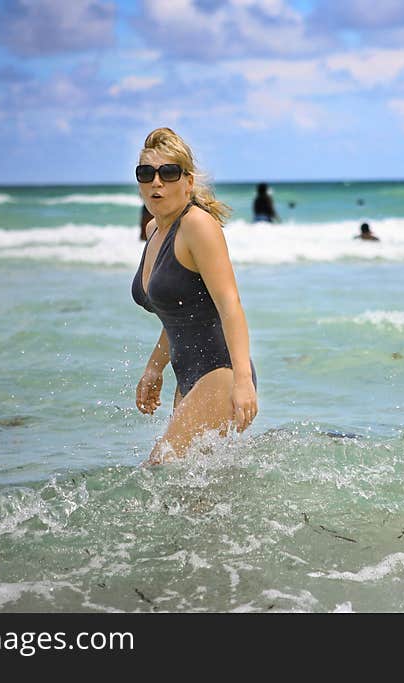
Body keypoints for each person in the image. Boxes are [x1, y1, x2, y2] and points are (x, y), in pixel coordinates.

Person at [131, 127, 258, 464]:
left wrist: (243, 382)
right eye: (146, 173)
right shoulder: (154, 230)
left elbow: (230, 305)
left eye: (168, 173)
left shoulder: (197, 226)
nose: (156, 182)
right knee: (195, 498)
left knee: (158, 472)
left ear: (187, 182)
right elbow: (179, 314)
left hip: (221, 372)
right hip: (187, 376)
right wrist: (153, 369)